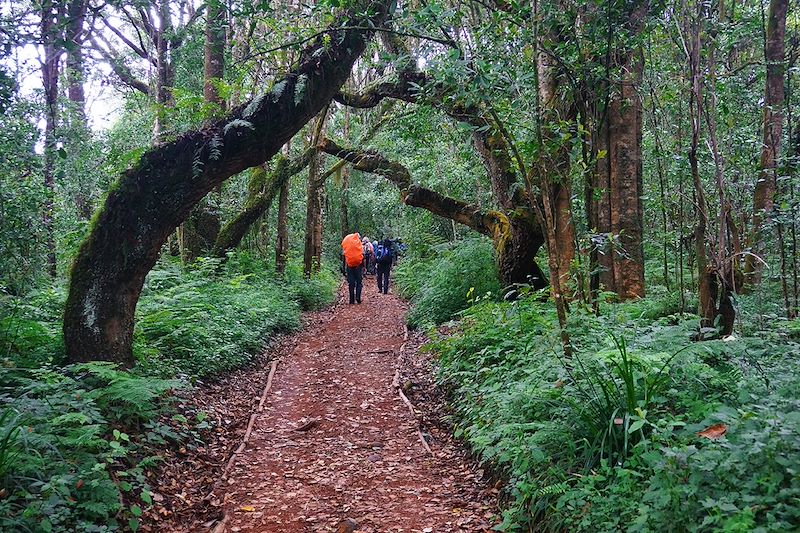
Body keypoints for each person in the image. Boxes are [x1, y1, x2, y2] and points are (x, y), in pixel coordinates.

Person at [341, 232, 364, 304]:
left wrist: (344, 267)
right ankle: (358, 296)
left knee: (351, 283)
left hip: (349, 266)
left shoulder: (347, 245)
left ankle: (351, 300)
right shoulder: (359, 244)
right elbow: (362, 256)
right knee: (359, 282)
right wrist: (363, 266)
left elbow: (344, 256)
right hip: (358, 266)